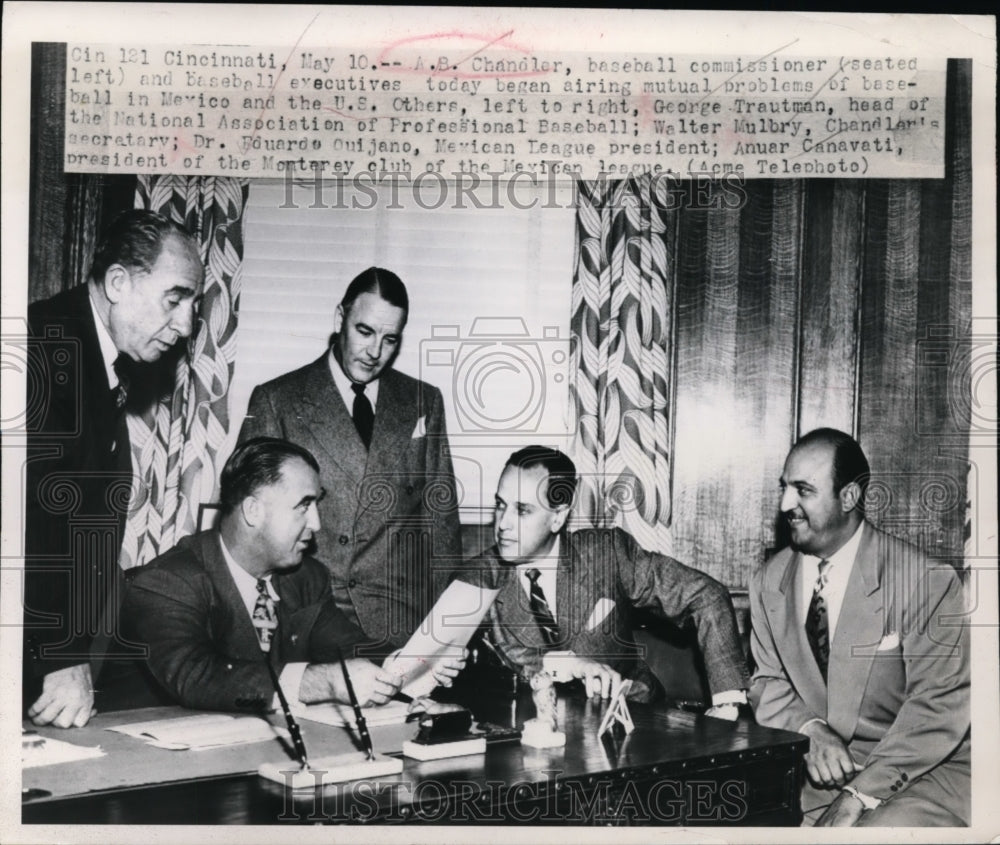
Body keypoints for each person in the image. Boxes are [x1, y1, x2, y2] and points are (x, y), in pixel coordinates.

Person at [121, 437, 462, 713]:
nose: (315, 524)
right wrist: (321, 682)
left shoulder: (305, 577)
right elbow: (196, 676)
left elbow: (350, 645)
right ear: (253, 511)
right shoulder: (168, 581)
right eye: (303, 506)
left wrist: (412, 663)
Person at [24, 209, 204, 728]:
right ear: (119, 282)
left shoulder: (87, 353)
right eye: (175, 299)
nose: (187, 325)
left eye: (193, 305)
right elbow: (31, 521)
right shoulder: (45, 350)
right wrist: (61, 655)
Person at [749, 428, 970, 827]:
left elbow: (937, 706)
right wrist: (809, 727)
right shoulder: (769, 580)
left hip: (925, 771)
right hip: (817, 777)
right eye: (784, 488)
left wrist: (859, 793)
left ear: (849, 497)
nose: (785, 504)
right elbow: (767, 680)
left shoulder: (925, 580)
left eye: (803, 490)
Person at [239, 267, 462, 651]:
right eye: (365, 332)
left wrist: (443, 636)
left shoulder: (424, 402)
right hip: (306, 617)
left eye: (390, 339)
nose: (375, 352)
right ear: (340, 319)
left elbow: (441, 524)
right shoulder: (278, 400)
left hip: (398, 623)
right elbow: (247, 525)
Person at [458, 446, 749, 712]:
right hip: (528, 737)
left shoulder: (608, 553)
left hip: (636, 725)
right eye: (500, 505)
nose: (503, 523)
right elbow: (476, 667)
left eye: (522, 510)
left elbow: (705, 596)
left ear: (558, 517)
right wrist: (564, 664)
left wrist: (728, 703)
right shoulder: (476, 579)